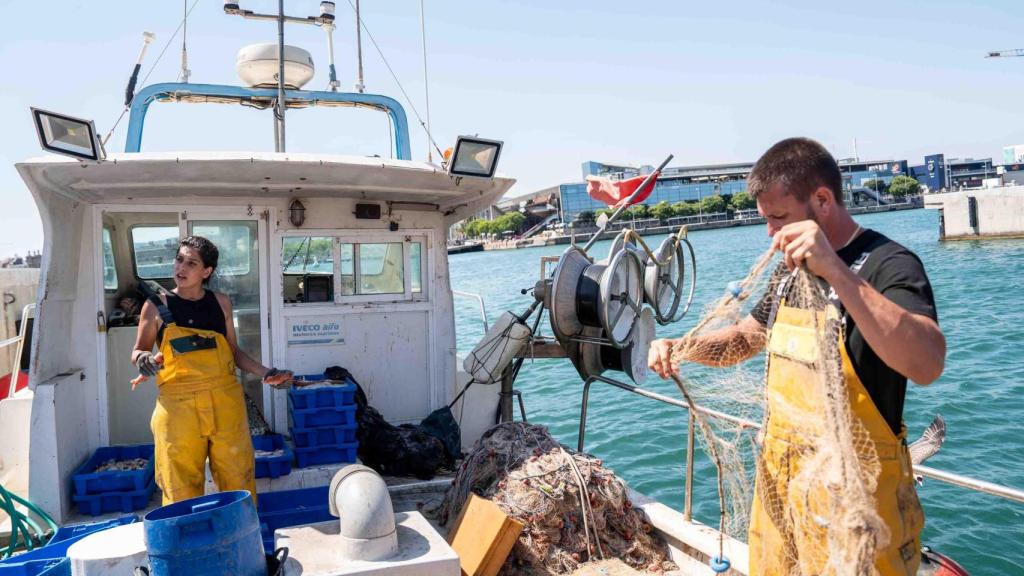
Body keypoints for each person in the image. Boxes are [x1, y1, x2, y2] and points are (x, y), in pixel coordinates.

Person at [648, 137, 946, 575]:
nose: (771, 232)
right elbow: (746, 339)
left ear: (822, 200)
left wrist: (836, 271)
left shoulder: (891, 265)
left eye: (779, 217)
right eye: (766, 219)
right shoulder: (790, 273)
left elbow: (927, 363)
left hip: (858, 508)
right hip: (784, 495)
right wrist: (683, 348)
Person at [132, 236, 293, 505]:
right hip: (178, 410)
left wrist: (266, 372)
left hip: (225, 404)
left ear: (207, 272)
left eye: (191, 263)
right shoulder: (156, 306)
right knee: (178, 485)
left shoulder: (221, 303)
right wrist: (143, 358)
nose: (181, 267)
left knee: (238, 479)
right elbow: (138, 350)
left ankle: (241, 537)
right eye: (179, 259)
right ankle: (183, 543)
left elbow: (233, 352)